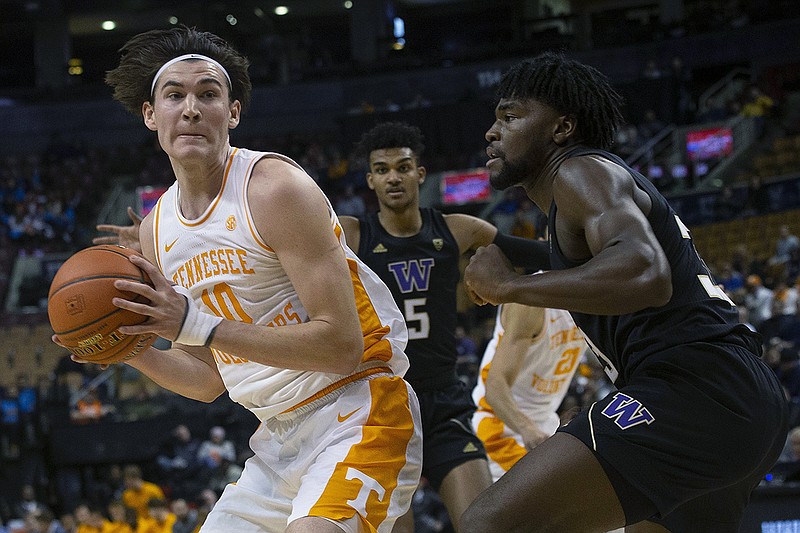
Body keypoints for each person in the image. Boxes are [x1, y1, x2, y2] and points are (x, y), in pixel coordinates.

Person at [76, 26, 421, 533]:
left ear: (232, 112)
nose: (191, 108)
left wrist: (200, 325)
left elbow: (342, 346)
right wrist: (127, 347)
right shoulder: (155, 232)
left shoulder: (275, 189)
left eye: (208, 94)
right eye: (174, 95)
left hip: (359, 407)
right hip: (275, 440)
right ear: (151, 115)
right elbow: (208, 380)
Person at [460, 51, 789, 532]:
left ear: (562, 128)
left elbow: (644, 273)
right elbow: (576, 256)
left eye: (510, 117)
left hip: (691, 390)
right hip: (741, 399)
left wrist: (506, 286)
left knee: (487, 525)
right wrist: (484, 241)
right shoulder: (585, 194)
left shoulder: (580, 171)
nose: (493, 131)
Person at [338, 121, 547, 532]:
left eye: (402, 167)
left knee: (487, 524)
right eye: (382, 170)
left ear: (420, 173)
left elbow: (536, 254)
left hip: (444, 400)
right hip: (382, 405)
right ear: (370, 181)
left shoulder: (458, 229)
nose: (393, 177)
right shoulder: (350, 234)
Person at [471, 300, 586, 482]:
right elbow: (494, 387)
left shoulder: (592, 302)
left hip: (545, 425)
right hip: (500, 426)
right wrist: (527, 428)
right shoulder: (530, 303)